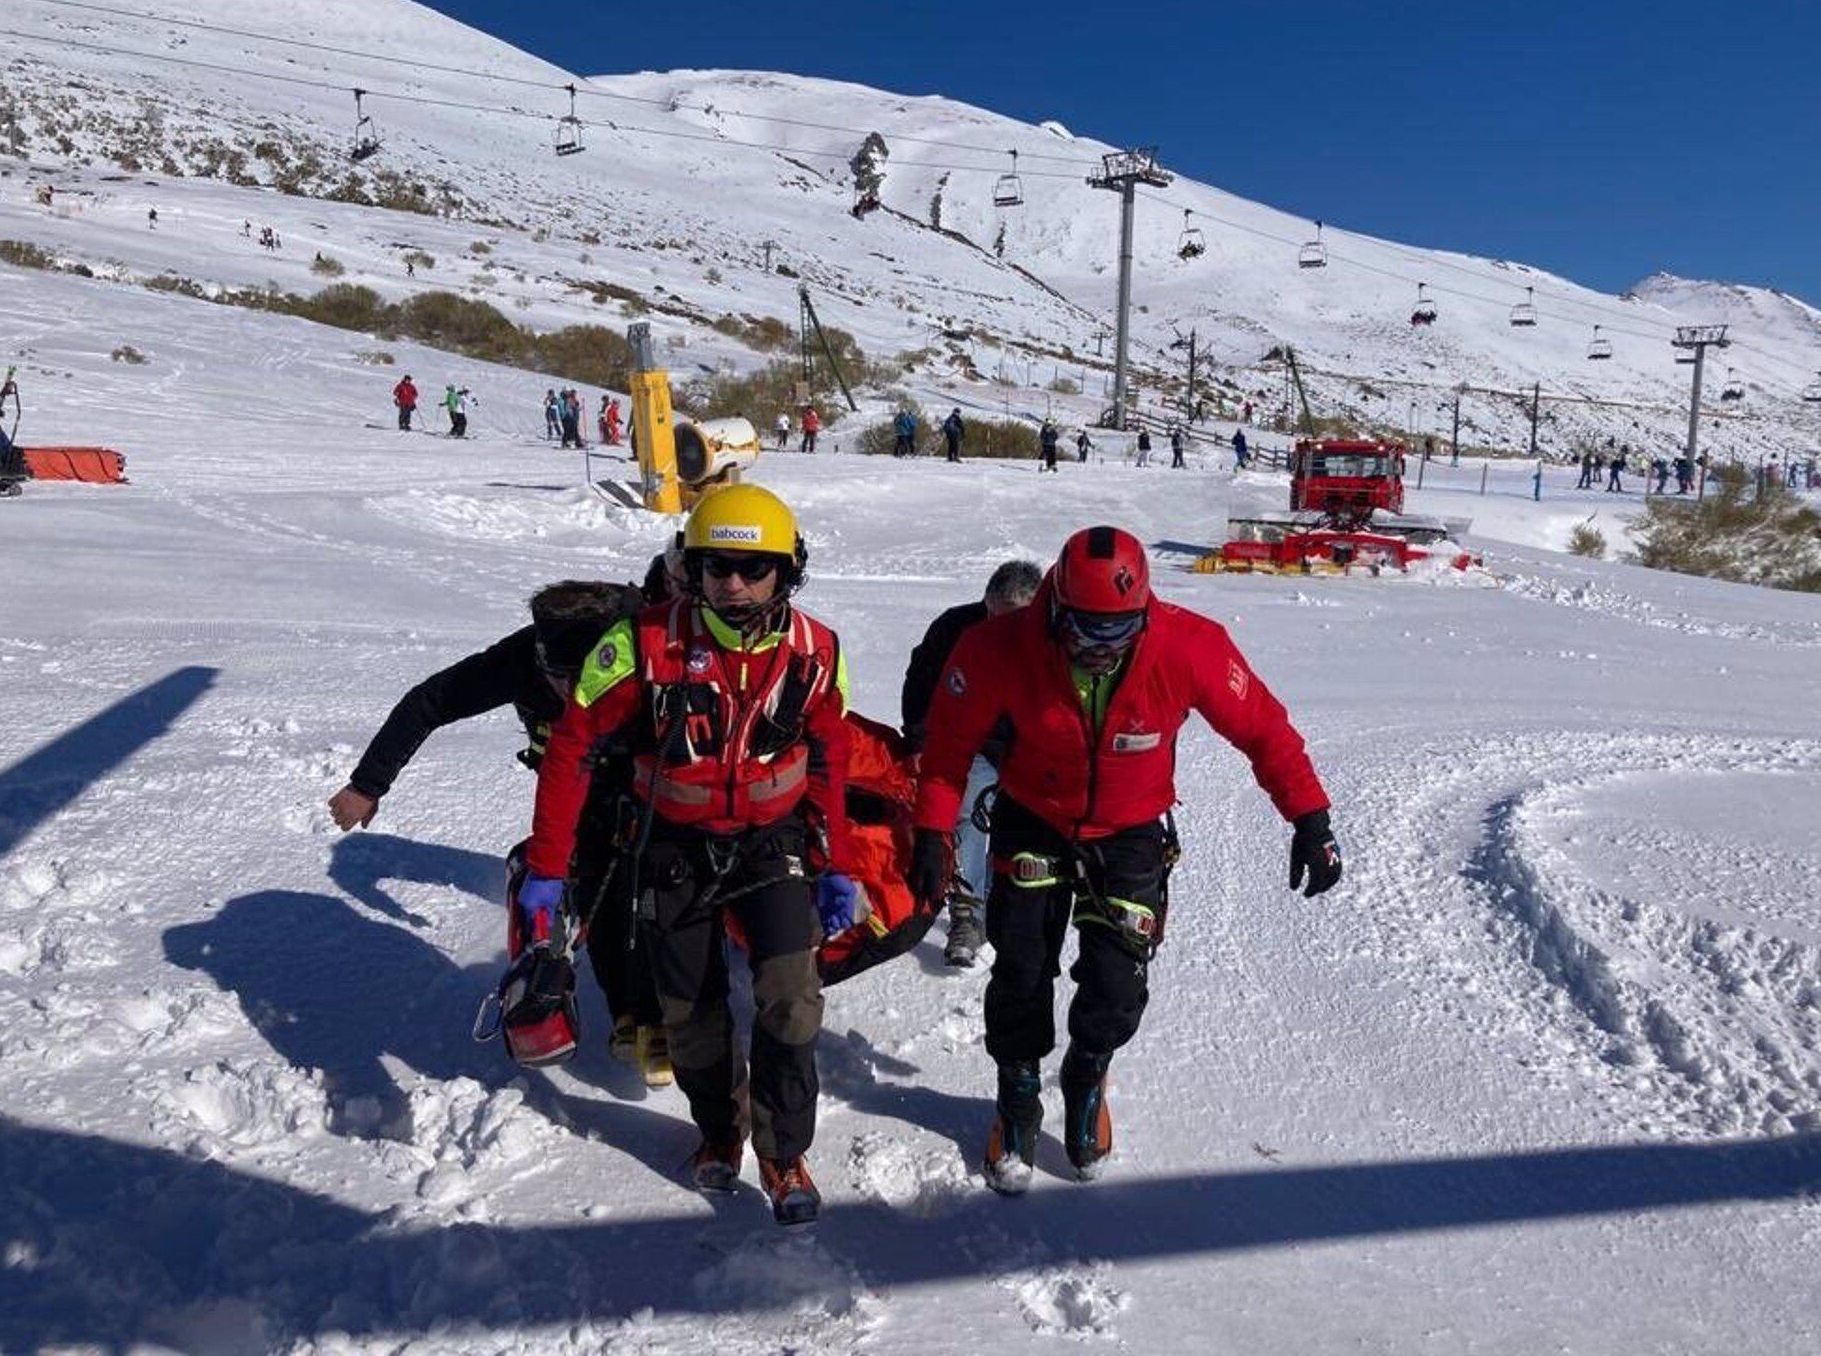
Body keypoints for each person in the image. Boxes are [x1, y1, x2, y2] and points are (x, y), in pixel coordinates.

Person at [911, 527, 1339, 1193]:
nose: (1098, 650)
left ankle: (1086, 1076)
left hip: (1132, 829)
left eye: (1117, 634)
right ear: (1053, 609)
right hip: (1034, 818)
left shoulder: (1190, 645)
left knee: (1117, 982)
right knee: (1021, 970)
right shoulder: (999, 644)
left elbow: (1264, 729)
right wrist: (931, 837)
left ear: (1143, 613)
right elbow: (945, 753)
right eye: (1083, 631)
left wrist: (1310, 818)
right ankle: (1018, 1099)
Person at [520, 485, 848, 1225]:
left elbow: (831, 755)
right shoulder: (637, 643)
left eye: (751, 567)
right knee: (692, 1010)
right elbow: (571, 749)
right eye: (714, 566)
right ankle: (719, 1132)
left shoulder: (816, 651)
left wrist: (843, 862)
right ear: (688, 568)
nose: (732, 583)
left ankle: (783, 1149)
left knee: (790, 1001)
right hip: (673, 845)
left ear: (786, 572)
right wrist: (547, 867)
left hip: (773, 843)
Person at [326, 552, 688, 1086]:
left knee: (659, 882)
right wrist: (367, 784)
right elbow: (431, 701)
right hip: (574, 790)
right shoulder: (520, 658)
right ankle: (636, 1017)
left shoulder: (647, 643)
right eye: (560, 680)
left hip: (656, 780)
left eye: (584, 680)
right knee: (598, 889)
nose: (572, 696)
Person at [900, 560, 1043, 968]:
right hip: (970, 745)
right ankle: (968, 913)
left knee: (1023, 831)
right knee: (966, 814)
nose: (998, 628)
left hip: (1030, 751)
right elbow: (921, 682)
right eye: (992, 615)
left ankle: (1014, 909)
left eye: (1011, 621)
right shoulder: (954, 628)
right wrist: (918, 740)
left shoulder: (1054, 640)